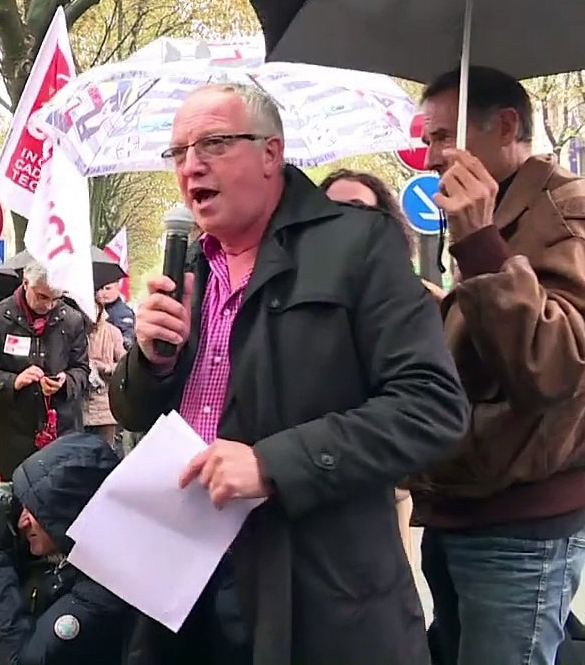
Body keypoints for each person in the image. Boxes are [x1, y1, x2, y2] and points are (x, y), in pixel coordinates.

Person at [111, 82, 468, 664]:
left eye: (214, 144)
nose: (191, 165)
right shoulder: (189, 268)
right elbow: (132, 411)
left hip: (317, 594)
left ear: (271, 153)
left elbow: (431, 406)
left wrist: (273, 464)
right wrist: (152, 360)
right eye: (178, 152)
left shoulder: (358, 245)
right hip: (185, 580)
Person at [405, 66, 585, 665]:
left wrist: (481, 244)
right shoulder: (497, 207)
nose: (431, 156)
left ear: (506, 126)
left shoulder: (566, 211)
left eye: (443, 136)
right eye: (427, 139)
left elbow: (554, 365)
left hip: (520, 526)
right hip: (459, 505)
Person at [0, 433, 135, 665]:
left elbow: (26, 660)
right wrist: (5, 539)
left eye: (35, 510)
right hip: (58, 648)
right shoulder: (73, 543)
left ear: (67, 513)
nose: (23, 522)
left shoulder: (103, 587)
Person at [317, 169, 424, 562]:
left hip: (381, 490)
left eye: (357, 209)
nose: (344, 220)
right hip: (311, 494)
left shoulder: (412, 303)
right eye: (331, 209)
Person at [0, 261, 91, 480]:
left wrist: (66, 381)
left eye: (56, 298)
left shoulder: (72, 319)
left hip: (62, 431)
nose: (49, 305)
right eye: (42, 297)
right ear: (26, 283)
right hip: (14, 434)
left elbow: (82, 369)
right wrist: (12, 381)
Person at [85, 290, 126, 447]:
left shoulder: (112, 332)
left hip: (105, 406)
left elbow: (124, 365)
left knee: (104, 452)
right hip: (80, 406)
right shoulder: (76, 330)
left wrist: (106, 367)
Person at [96, 279, 135, 346]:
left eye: (108, 289)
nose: (104, 293)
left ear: (118, 288)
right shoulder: (95, 310)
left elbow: (128, 337)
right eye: (99, 289)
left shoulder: (123, 312)